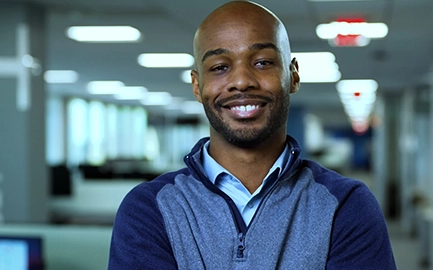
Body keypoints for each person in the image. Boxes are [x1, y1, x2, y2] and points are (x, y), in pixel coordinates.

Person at [108, 1, 397, 269]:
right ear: (197, 85)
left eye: (262, 62)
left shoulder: (346, 205)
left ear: (293, 75)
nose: (242, 81)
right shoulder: (149, 209)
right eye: (220, 67)